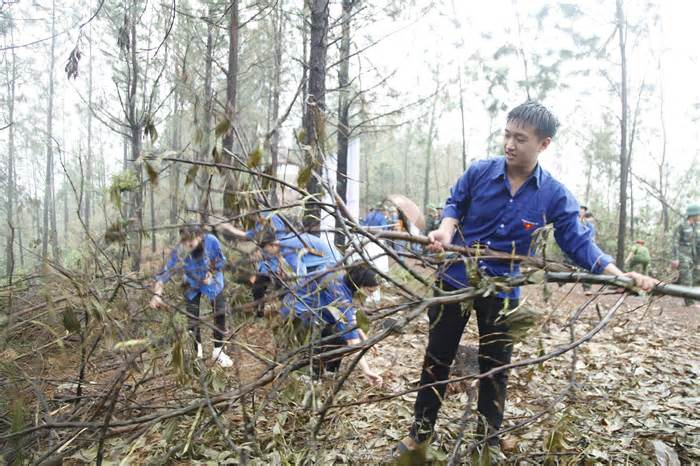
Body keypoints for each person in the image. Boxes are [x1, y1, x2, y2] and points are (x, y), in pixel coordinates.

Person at [396, 102, 657, 454]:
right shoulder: (479, 172)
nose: (510, 144)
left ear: (543, 144)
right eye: (507, 134)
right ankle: (421, 432)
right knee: (437, 357)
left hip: (504, 291)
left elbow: (577, 242)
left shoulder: (554, 194)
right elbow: (454, 204)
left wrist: (617, 274)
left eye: (520, 138)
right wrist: (444, 230)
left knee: (496, 367)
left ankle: (486, 438)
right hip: (455, 278)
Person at [150, 225, 233, 367]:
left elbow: (221, 260)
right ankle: (197, 354)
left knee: (219, 312)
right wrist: (157, 295)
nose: (188, 246)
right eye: (185, 242)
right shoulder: (180, 250)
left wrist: (212, 271)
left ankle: (218, 351)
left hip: (212, 281)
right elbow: (165, 272)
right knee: (193, 318)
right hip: (192, 283)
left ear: (200, 237)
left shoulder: (212, 241)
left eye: (191, 242)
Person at [671, 204, 700, 307]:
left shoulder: (697, 226)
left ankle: (691, 297)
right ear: (693, 215)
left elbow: (698, 244)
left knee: (695, 278)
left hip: (693, 257)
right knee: (687, 278)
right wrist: (675, 258)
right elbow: (675, 242)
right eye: (698, 214)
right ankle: (689, 303)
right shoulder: (681, 225)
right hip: (682, 255)